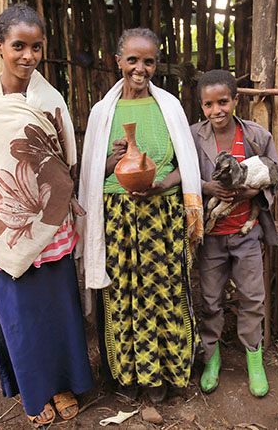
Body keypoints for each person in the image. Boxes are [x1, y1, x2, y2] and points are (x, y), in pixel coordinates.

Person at [0, 3, 93, 426]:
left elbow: (63, 161)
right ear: (0, 46)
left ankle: (61, 385)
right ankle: (33, 393)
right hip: (2, 228)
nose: (28, 56)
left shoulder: (49, 99)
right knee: (19, 315)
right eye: (19, 46)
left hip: (49, 224)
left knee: (57, 310)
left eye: (36, 47)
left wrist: (61, 198)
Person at [77, 28, 204, 403]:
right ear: (118, 61)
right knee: (122, 296)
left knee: (163, 292)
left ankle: (162, 378)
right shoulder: (104, 113)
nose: (140, 68)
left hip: (161, 217)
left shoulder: (170, 108)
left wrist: (163, 185)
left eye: (148, 61)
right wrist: (112, 163)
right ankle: (128, 378)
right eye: (132, 60)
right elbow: (90, 177)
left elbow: (188, 166)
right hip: (116, 219)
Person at [190, 70, 278, 397]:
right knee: (211, 299)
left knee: (252, 298)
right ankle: (211, 359)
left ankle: (254, 361)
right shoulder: (192, 137)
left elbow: (276, 175)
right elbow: (183, 175)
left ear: (236, 100)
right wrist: (206, 186)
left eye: (223, 102)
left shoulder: (257, 136)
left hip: (247, 234)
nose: (216, 110)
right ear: (201, 106)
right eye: (208, 104)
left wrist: (253, 193)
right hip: (211, 235)